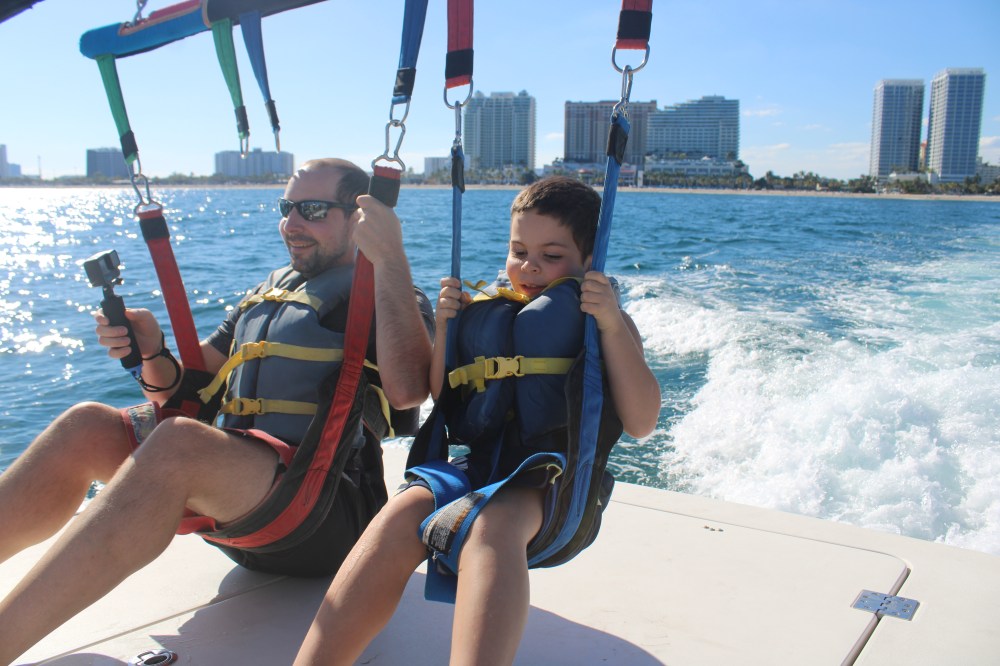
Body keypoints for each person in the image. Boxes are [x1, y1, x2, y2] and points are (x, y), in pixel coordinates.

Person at [0, 158, 434, 662]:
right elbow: (189, 390)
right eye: (287, 208)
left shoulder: (389, 292)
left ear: (360, 219)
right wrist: (152, 350)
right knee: (86, 425)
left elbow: (408, 392)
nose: (292, 224)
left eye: (312, 210)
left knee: (180, 445)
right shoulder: (266, 295)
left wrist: (392, 259)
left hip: (323, 515)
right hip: (243, 505)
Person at [294, 176, 660, 666]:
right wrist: (447, 327)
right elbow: (448, 399)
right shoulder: (488, 312)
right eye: (518, 250)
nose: (529, 267)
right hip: (478, 470)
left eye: (551, 256)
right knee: (401, 515)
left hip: (553, 484)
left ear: (588, 260)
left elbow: (641, 421)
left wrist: (613, 324)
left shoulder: (598, 319)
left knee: (490, 526)